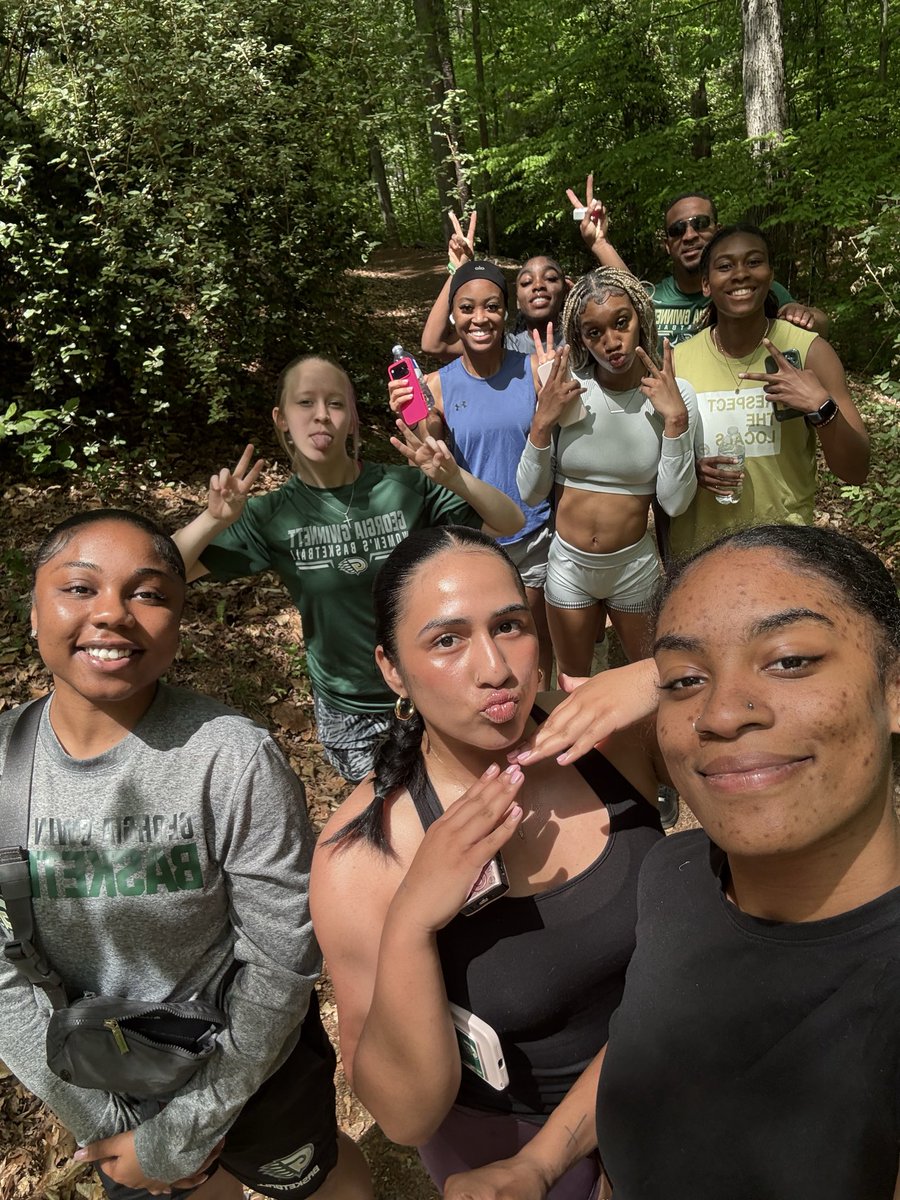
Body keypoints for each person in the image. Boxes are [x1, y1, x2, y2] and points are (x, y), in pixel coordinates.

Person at [441, 523, 900, 1200]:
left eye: (790, 660)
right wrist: (537, 1163)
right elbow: (644, 1039)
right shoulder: (678, 872)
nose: (720, 712)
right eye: (684, 680)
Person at [0, 510, 372, 1200]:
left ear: (177, 622)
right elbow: (4, 977)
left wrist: (186, 1130)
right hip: (107, 1076)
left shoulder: (231, 759)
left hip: (250, 1063)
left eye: (148, 593)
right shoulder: (3, 767)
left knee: (311, 1175)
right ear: (32, 611)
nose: (112, 612)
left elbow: (282, 959)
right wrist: (116, 1128)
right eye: (79, 588)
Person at [309, 525, 668, 1200]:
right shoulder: (363, 856)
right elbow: (404, 1113)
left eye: (509, 626)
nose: (495, 668)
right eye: (447, 639)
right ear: (391, 669)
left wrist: (661, 672)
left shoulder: (612, 741)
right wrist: (413, 919)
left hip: (675, 1081)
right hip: (513, 1152)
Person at [171, 354, 523, 784]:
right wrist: (212, 521)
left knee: (456, 807)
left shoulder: (405, 486)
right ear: (281, 418)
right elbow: (163, 571)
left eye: (336, 403)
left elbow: (510, 522)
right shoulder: (269, 515)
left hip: (431, 690)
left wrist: (454, 478)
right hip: (349, 710)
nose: (321, 415)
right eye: (306, 403)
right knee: (389, 822)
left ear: (353, 419)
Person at [516, 267, 698, 670]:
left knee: (650, 679)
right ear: (580, 338)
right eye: (593, 332)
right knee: (573, 683)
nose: (611, 342)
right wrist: (542, 421)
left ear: (641, 318)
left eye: (621, 322)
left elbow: (675, 502)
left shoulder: (675, 394)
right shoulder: (568, 389)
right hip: (567, 566)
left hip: (634, 568)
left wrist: (676, 423)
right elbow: (530, 493)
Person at [393, 261, 555, 681]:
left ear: (506, 311)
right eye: (466, 308)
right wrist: (413, 416)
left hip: (536, 538)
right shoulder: (437, 385)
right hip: (475, 542)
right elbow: (428, 441)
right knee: (487, 658)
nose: (479, 318)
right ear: (454, 315)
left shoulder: (533, 371)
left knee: (533, 655)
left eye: (491, 307)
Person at [667, 223, 868, 558]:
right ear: (706, 284)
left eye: (753, 262)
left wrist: (821, 407)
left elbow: (856, 470)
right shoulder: (678, 362)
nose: (741, 274)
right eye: (725, 266)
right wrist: (689, 472)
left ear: (770, 275)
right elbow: (657, 469)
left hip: (784, 554)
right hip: (699, 557)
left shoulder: (809, 352)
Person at [569, 179, 829, 345]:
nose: (690, 235)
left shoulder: (750, 290)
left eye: (700, 224)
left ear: (718, 230)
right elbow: (630, 292)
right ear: (667, 246)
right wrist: (599, 243)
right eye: (677, 230)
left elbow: (817, 325)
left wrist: (806, 316)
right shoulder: (655, 299)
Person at [421, 210, 569, 360]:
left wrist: (595, 245)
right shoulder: (505, 345)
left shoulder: (583, 337)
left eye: (550, 278)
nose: (538, 285)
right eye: (526, 282)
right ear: (517, 301)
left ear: (566, 291)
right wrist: (458, 270)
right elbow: (434, 345)